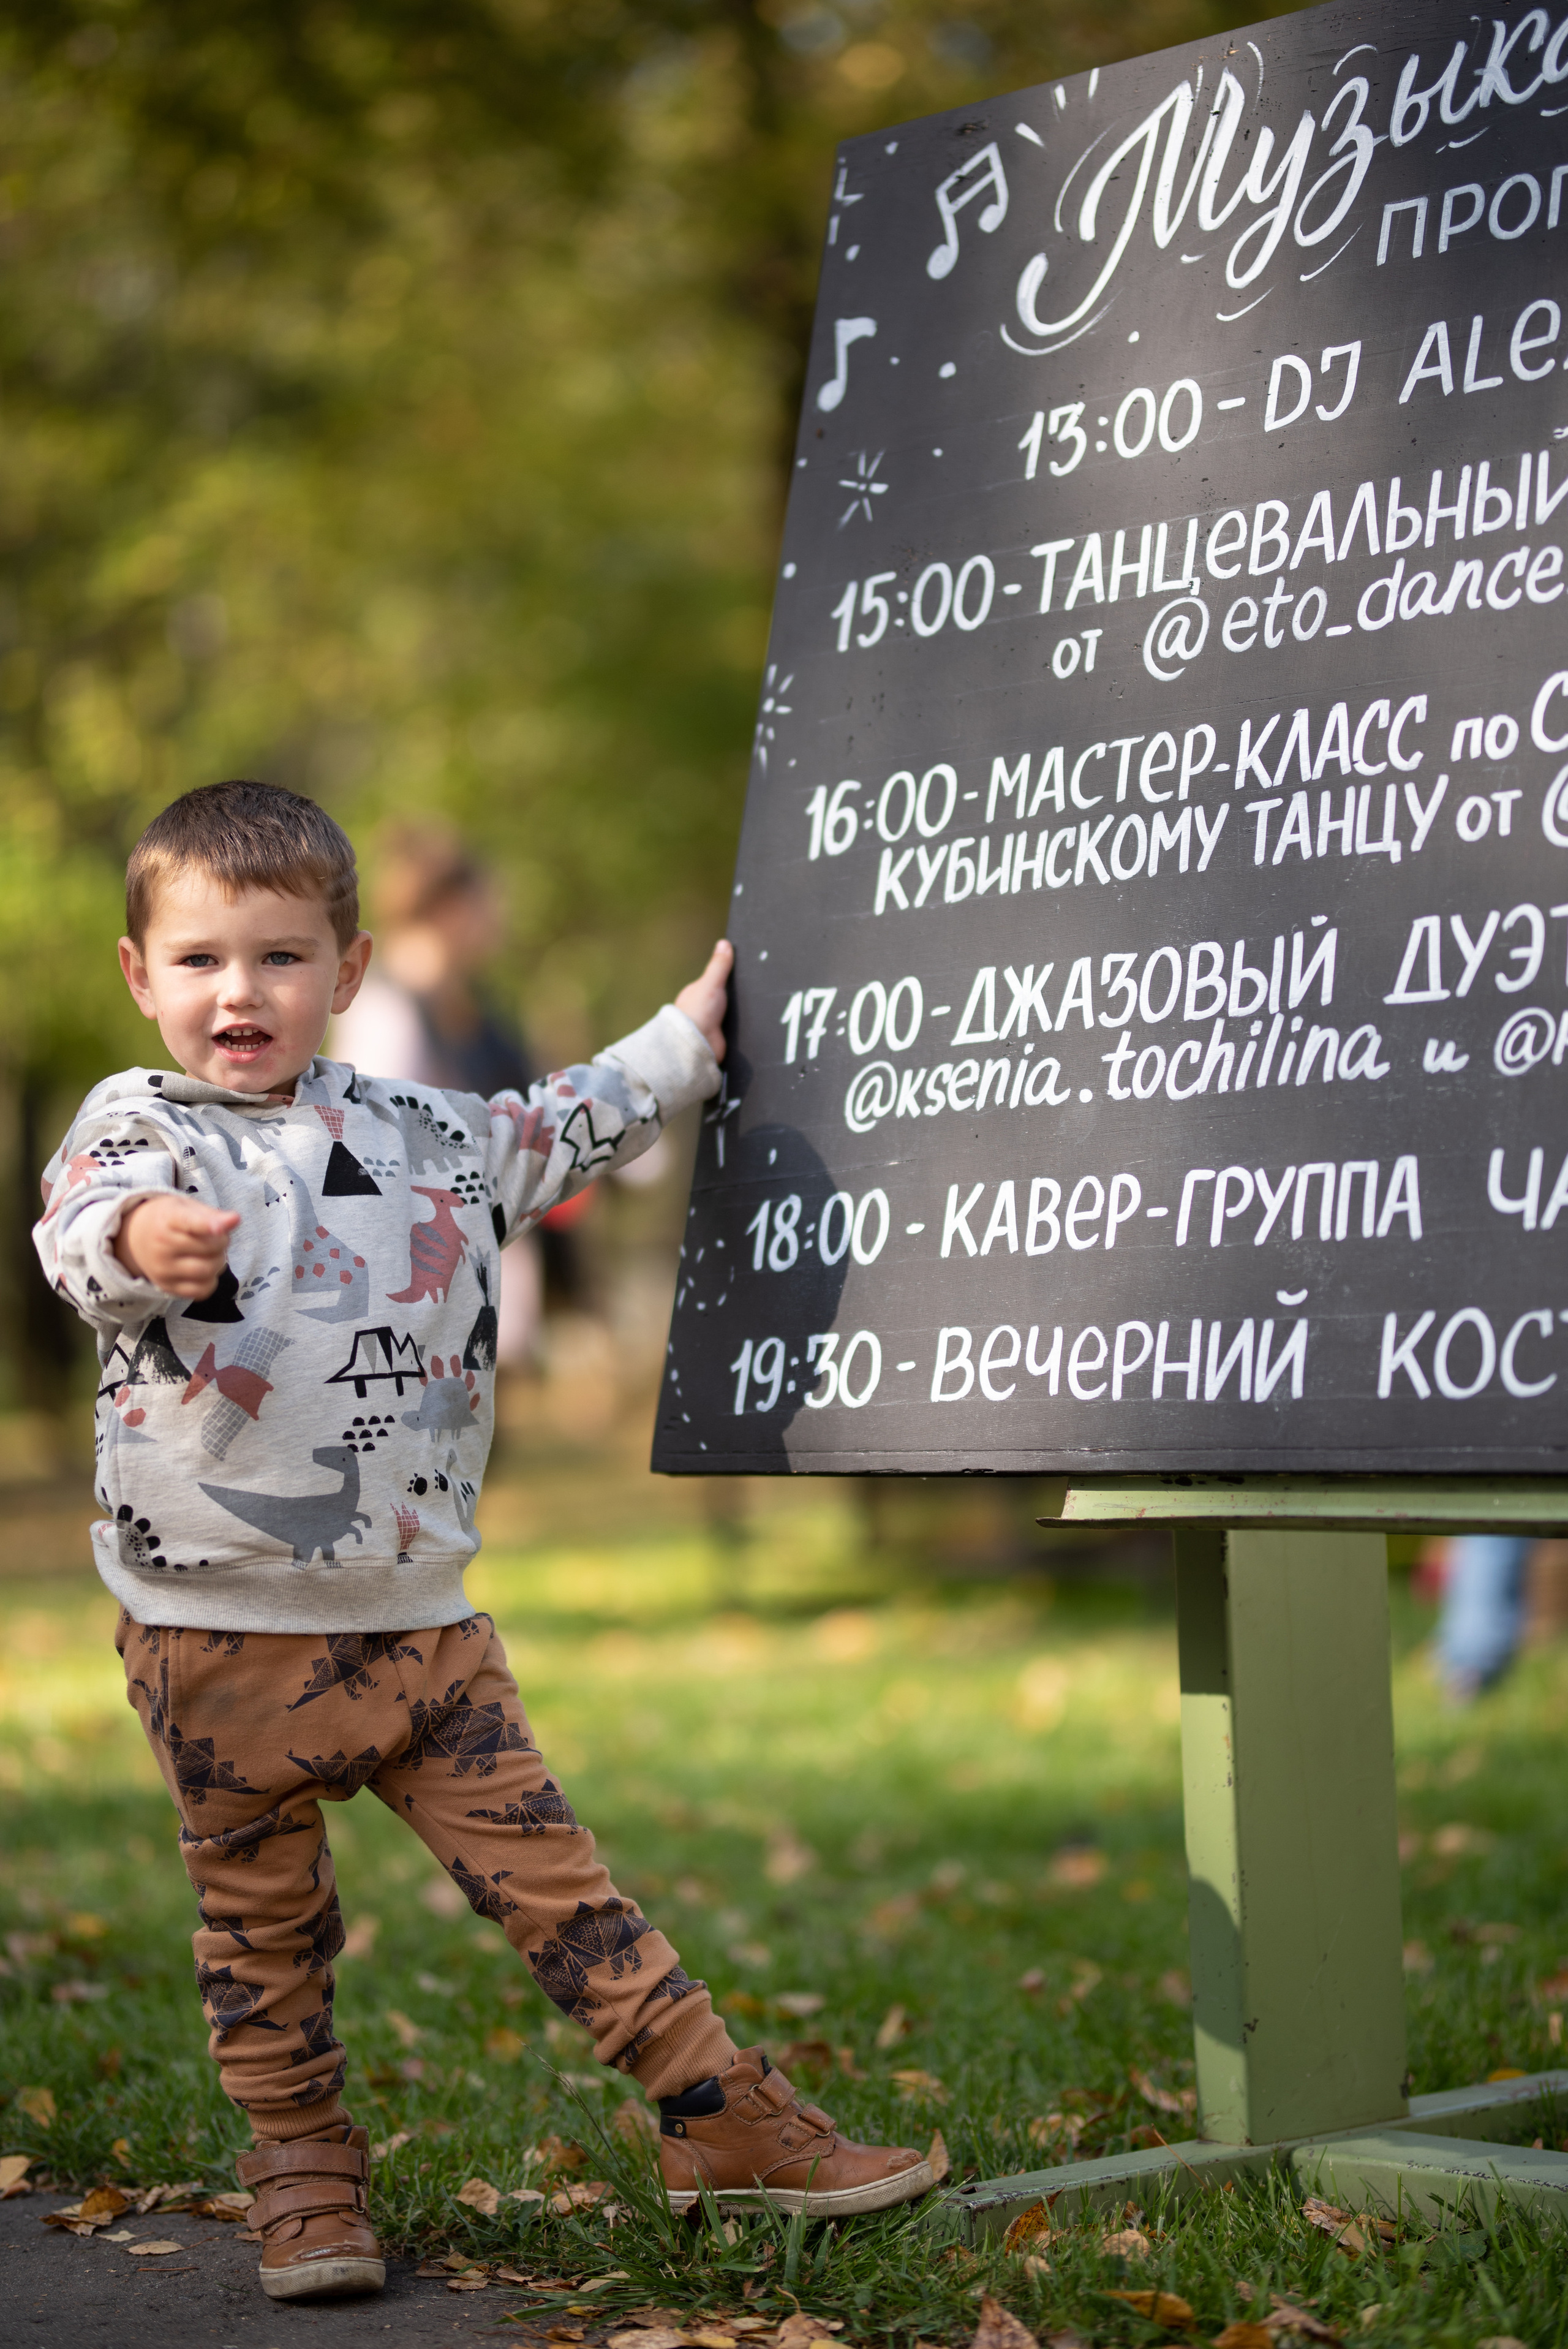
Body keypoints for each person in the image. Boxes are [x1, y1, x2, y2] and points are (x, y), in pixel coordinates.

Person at [33, 780, 931, 2307]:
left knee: (560, 1889)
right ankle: (305, 2182)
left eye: (278, 957)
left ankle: (719, 2118)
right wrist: (139, 1242)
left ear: (352, 970)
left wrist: (690, 1035)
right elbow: (77, 1223)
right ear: (140, 975)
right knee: (262, 1940)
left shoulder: (431, 1136)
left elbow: (569, 1120)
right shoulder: (145, 1126)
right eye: (197, 960)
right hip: (211, 1634)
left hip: (420, 1626)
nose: (237, 992)